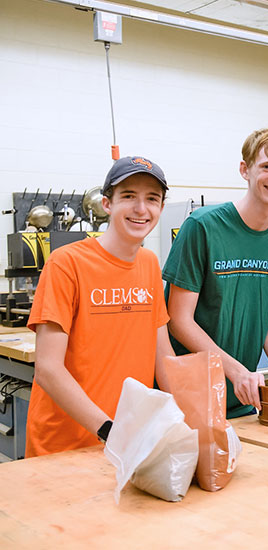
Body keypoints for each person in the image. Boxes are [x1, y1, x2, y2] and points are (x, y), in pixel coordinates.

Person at [26, 156, 174, 457]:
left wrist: (189, 418)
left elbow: (164, 357)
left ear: (160, 207)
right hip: (64, 448)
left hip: (126, 445)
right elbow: (48, 369)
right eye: (129, 196)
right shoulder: (66, 263)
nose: (141, 209)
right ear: (107, 203)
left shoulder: (149, 264)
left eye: (152, 199)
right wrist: (109, 429)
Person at [163, 128, 268, 419]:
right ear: (245, 170)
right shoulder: (203, 227)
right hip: (188, 400)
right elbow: (178, 321)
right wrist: (236, 371)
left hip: (242, 401)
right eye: (267, 167)